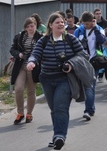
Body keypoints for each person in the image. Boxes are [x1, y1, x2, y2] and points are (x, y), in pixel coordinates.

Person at [27, 12, 84, 150]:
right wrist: (32, 62)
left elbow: (83, 54)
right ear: (50, 25)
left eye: (62, 22)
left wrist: (70, 63)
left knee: (60, 107)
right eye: (57, 22)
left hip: (64, 79)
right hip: (46, 79)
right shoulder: (44, 40)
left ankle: (60, 136)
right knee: (54, 109)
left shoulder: (71, 39)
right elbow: (36, 53)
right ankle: (56, 136)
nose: (61, 24)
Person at [74, 11, 106, 120]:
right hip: (82, 61)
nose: (86, 26)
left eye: (88, 24)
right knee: (88, 86)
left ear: (92, 21)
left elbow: (103, 41)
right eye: (84, 24)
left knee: (90, 85)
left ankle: (88, 110)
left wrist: (95, 28)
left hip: (94, 60)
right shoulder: (79, 31)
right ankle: (91, 109)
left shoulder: (98, 29)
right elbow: (73, 43)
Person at [10, 17, 42, 125]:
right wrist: (18, 54)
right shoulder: (20, 37)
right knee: (18, 89)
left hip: (33, 67)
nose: (30, 28)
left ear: (35, 26)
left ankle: (29, 113)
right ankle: (20, 113)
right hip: (21, 66)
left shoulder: (40, 37)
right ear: (25, 27)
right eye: (28, 26)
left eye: (32, 26)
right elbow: (12, 49)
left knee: (31, 91)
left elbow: (43, 52)